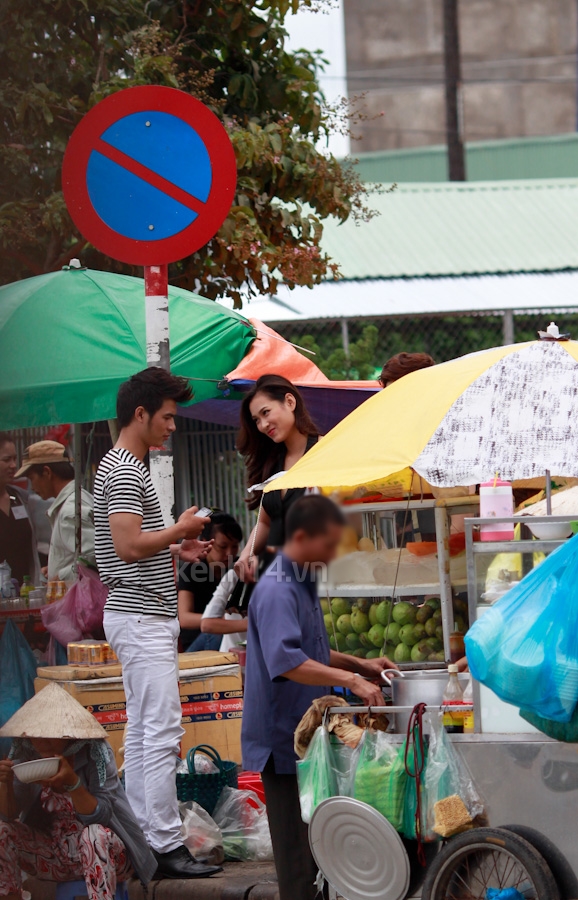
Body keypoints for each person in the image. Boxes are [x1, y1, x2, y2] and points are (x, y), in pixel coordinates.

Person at [94, 367, 221, 880]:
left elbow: (132, 548)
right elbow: (126, 545)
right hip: (140, 618)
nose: (173, 426)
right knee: (161, 731)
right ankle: (165, 842)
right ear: (141, 414)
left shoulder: (126, 465)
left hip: (139, 615)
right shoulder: (125, 469)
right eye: (167, 417)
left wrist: (176, 545)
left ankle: (152, 841)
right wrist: (180, 528)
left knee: (148, 732)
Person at [242, 495, 397, 900]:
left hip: (309, 735)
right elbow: (286, 660)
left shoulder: (301, 581)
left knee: (321, 851)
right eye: (328, 544)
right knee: (298, 862)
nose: (333, 554)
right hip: (282, 739)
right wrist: (351, 678)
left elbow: (310, 649)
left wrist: (360, 665)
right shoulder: (278, 587)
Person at [0, 682, 157, 900]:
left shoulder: (96, 754)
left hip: (109, 856)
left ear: (67, 735)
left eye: (49, 737)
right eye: (37, 737)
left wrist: (73, 783)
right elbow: (8, 815)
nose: (42, 743)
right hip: (55, 857)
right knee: (1, 830)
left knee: (94, 835)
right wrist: (5, 783)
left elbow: (101, 815)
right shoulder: (27, 754)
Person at [235, 374, 319, 583]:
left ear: (290, 402)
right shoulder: (272, 463)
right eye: (256, 420)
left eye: (266, 412)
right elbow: (265, 522)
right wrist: (246, 554)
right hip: (276, 579)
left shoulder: (324, 452)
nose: (263, 425)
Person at [16, 440, 96, 582]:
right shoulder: (74, 500)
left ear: (47, 472)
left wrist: (61, 575)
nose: (32, 486)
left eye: (32, 478)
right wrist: (56, 566)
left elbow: (94, 556)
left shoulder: (71, 510)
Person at [177, 511, 242, 651]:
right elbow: (184, 618)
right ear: (206, 542)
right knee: (216, 633)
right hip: (198, 643)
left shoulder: (238, 569)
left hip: (225, 636)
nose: (230, 553)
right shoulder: (192, 570)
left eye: (235, 546)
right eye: (223, 547)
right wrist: (220, 623)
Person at [0, 432, 40, 586]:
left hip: (24, 595)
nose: (13, 465)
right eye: (6, 460)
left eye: (15, 458)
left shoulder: (20, 498)